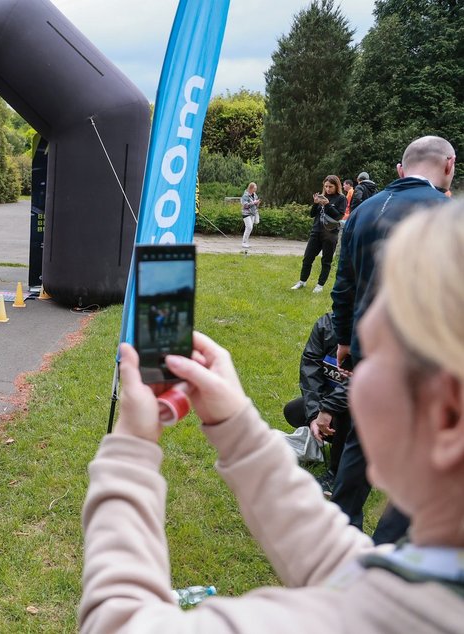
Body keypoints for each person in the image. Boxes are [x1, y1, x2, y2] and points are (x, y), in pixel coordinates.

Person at [80, 204, 464, 633]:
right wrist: (236, 428)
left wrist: (131, 446)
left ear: (446, 416)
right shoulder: (425, 583)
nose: (348, 373)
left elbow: (118, 624)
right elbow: (343, 566)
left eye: (368, 355)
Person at [330, 135, 455, 543]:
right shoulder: (445, 215)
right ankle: (387, 546)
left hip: (369, 348)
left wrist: (345, 340)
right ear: (449, 166)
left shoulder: (363, 209)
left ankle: (342, 528)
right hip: (425, 355)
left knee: (361, 441)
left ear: (401, 170)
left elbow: (343, 285)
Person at [282, 311, 351, 497]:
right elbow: (310, 367)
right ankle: (326, 438)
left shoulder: (369, 330)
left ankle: (336, 474)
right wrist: (315, 415)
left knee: (346, 417)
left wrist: (329, 409)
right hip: (331, 403)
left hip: (365, 413)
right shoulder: (325, 325)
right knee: (293, 411)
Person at [290, 175, 347, 294]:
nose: (327, 189)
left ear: (337, 186)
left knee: (326, 261)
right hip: (316, 231)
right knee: (307, 258)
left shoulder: (341, 198)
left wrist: (327, 205)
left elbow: (338, 216)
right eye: (325, 186)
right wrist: (316, 203)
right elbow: (312, 214)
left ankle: (320, 285)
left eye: (330, 186)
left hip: (330, 234)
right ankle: (302, 281)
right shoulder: (323, 196)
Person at [240, 182, 260, 248]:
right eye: (255, 188)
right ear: (251, 188)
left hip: (253, 213)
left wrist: (257, 203)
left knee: (249, 228)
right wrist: (254, 202)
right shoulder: (245, 195)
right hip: (246, 213)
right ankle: (244, 242)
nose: (255, 190)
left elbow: (256, 203)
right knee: (249, 227)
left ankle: (246, 242)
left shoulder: (254, 195)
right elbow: (245, 205)